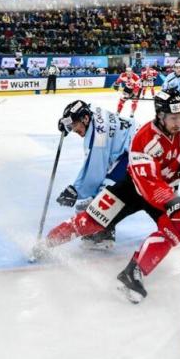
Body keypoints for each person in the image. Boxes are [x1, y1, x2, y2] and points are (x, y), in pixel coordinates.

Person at [32, 89, 180, 303]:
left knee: (178, 225)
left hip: (165, 192)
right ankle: (47, 242)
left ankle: (133, 273)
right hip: (133, 187)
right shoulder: (143, 140)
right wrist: (173, 202)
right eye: (173, 118)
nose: (179, 123)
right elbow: (148, 184)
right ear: (160, 115)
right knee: (90, 222)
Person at [55, 100, 137, 249]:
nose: (73, 129)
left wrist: (76, 190)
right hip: (127, 149)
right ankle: (99, 230)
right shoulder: (92, 116)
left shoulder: (98, 137)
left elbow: (95, 172)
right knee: (102, 191)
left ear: (85, 119)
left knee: (105, 193)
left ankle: (104, 234)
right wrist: (65, 126)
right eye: (71, 126)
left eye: (74, 125)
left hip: (134, 154)